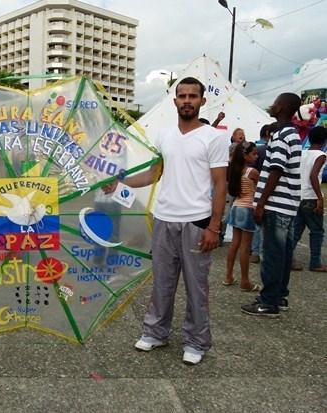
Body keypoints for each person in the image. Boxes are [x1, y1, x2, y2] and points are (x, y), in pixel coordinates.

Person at [103, 77, 229, 365]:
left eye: (192, 96)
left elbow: (220, 185)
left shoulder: (214, 138)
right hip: (164, 218)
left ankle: (196, 341)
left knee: (196, 286)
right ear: (174, 101)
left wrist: (214, 226)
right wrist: (119, 180)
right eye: (182, 96)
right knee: (162, 282)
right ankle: (155, 332)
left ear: (202, 101)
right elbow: (152, 174)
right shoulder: (164, 136)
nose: (187, 100)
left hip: (197, 221)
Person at [241, 92, 302, 318]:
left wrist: (261, 204)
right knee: (283, 254)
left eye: (276, 103)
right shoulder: (289, 134)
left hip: (276, 204)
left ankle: (268, 302)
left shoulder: (283, 134)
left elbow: (276, 169)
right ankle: (279, 296)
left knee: (273, 254)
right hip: (287, 204)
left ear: (283, 107)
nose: (272, 105)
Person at [222, 142, 261, 292]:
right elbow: (261, 190)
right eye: (254, 154)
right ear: (245, 156)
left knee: (235, 243)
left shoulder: (235, 170)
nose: (256, 156)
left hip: (236, 206)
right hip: (247, 208)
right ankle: (245, 281)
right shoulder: (252, 172)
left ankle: (228, 276)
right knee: (245, 246)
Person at [292, 126, 327, 272]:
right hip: (311, 197)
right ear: (324, 140)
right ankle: (315, 262)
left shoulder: (302, 153)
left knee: (296, 231)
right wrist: (320, 198)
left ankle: (287, 258)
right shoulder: (321, 155)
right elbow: (314, 176)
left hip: (299, 196)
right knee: (317, 231)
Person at [249, 124, 273, 263]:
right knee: (264, 225)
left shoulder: (259, 149)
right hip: (266, 190)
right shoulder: (267, 150)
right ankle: (261, 252)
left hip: (256, 191)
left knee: (257, 224)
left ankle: (255, 251)